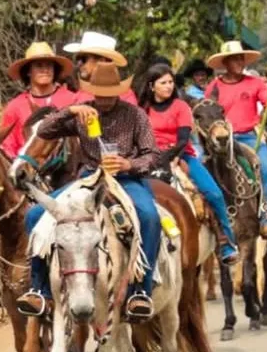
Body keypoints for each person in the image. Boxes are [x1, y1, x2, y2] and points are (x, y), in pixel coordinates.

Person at [17, 63, 162, 321]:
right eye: (99, 94)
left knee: (150, 217)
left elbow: (152, 155)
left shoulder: (136, 115)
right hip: (88, 178)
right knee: (34, 215)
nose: (104, 99)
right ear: (92, 92)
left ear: (119, 91)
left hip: (126, 178)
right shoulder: (83, 113)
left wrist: (129, 164)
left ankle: (141, 291)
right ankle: (38, 290)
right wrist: (70, 111)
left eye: (109, 93)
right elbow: (43, 130)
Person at [137, 64, 239, 265]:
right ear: (151, 86)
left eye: (170, 82)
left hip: (182, 156)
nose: (168, 86)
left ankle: (226, 243)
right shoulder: (142, 110)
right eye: (163, 83)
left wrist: (170, 157)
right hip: (149, 158)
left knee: (214, 194)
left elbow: (183, 138)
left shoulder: (181, 107)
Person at [204, 41, 267, 247]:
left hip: (250, 137)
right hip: (222, 139)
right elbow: (207, 114)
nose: (238, 62)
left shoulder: (254, 83)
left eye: (241, 58)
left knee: (266, 169)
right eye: (233, 59)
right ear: (225, 62)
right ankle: (207, 219)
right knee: (200, 175)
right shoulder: (214, 87)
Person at [0, 42, 77, 159]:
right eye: (39, 65)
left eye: (49, 66)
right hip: (26, 169)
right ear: (28, 71)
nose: (45, 70)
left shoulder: (72, 100)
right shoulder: (14, 107)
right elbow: (8, 146)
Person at [64, 31, 137, 104]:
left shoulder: (125, 97)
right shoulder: (79, 94)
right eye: (78, 59)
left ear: (101, 61)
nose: (79, 64)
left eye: (83, 59)